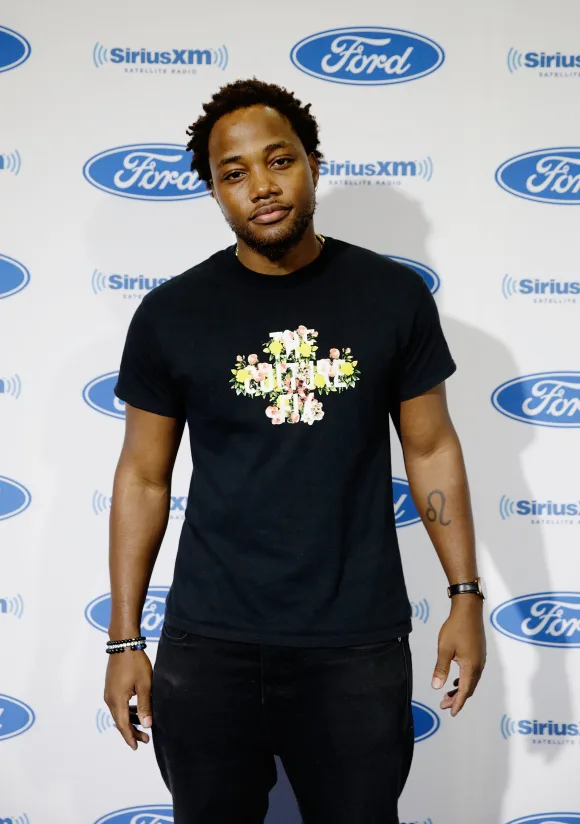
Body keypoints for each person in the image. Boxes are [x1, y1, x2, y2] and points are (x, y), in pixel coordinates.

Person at [104, 78, 486, 824]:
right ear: (214, 192)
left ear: (312, 162)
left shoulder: (391, 296)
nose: (261, 186)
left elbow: (433, 449)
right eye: (233, 174)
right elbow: (143, 479)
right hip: (208, 645)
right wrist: (124, 640)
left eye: (277, 161)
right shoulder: (171, 314)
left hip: (355, 643)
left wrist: (465, 596)